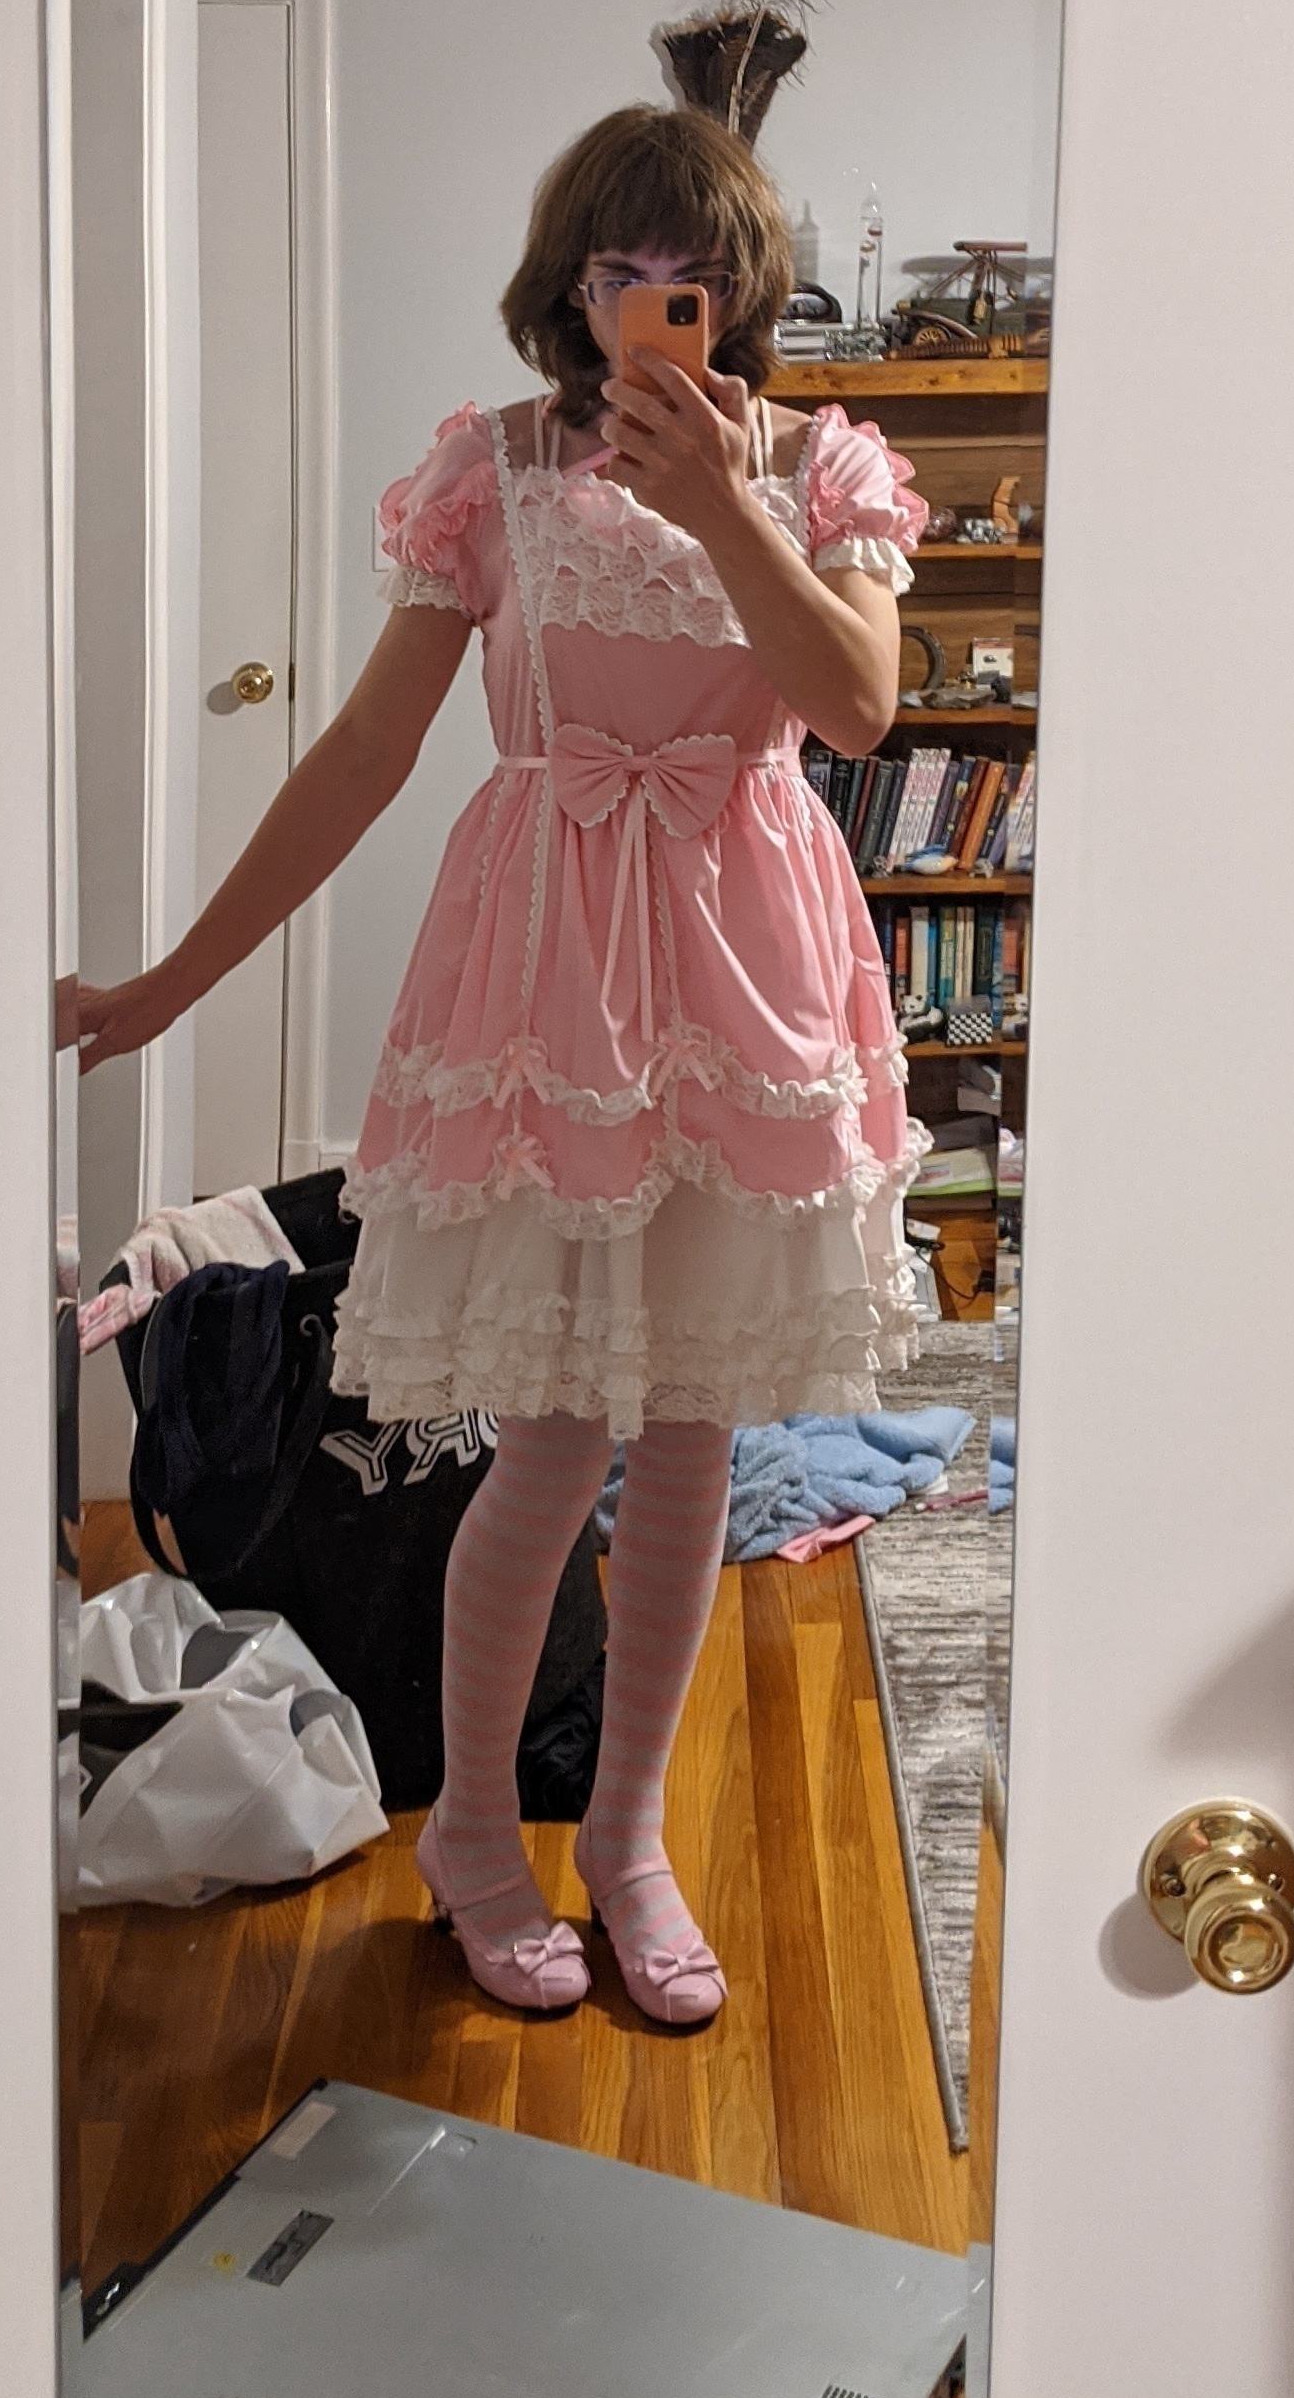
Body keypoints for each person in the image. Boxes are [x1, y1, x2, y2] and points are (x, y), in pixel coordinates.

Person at [75, 105, 927, 2029]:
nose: (656, 308)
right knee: (544, 1444)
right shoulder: (495, 475)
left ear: (744, 296)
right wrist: (170, 984)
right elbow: (363, 758)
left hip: (752, 989)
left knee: (695, 1437)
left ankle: (626, 1838)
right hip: (548, 994)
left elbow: (861, 705)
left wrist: (727, 505)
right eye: (621, 274)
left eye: (692, 279)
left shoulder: (826, 469)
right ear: (571, 288)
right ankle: (472, 1830)